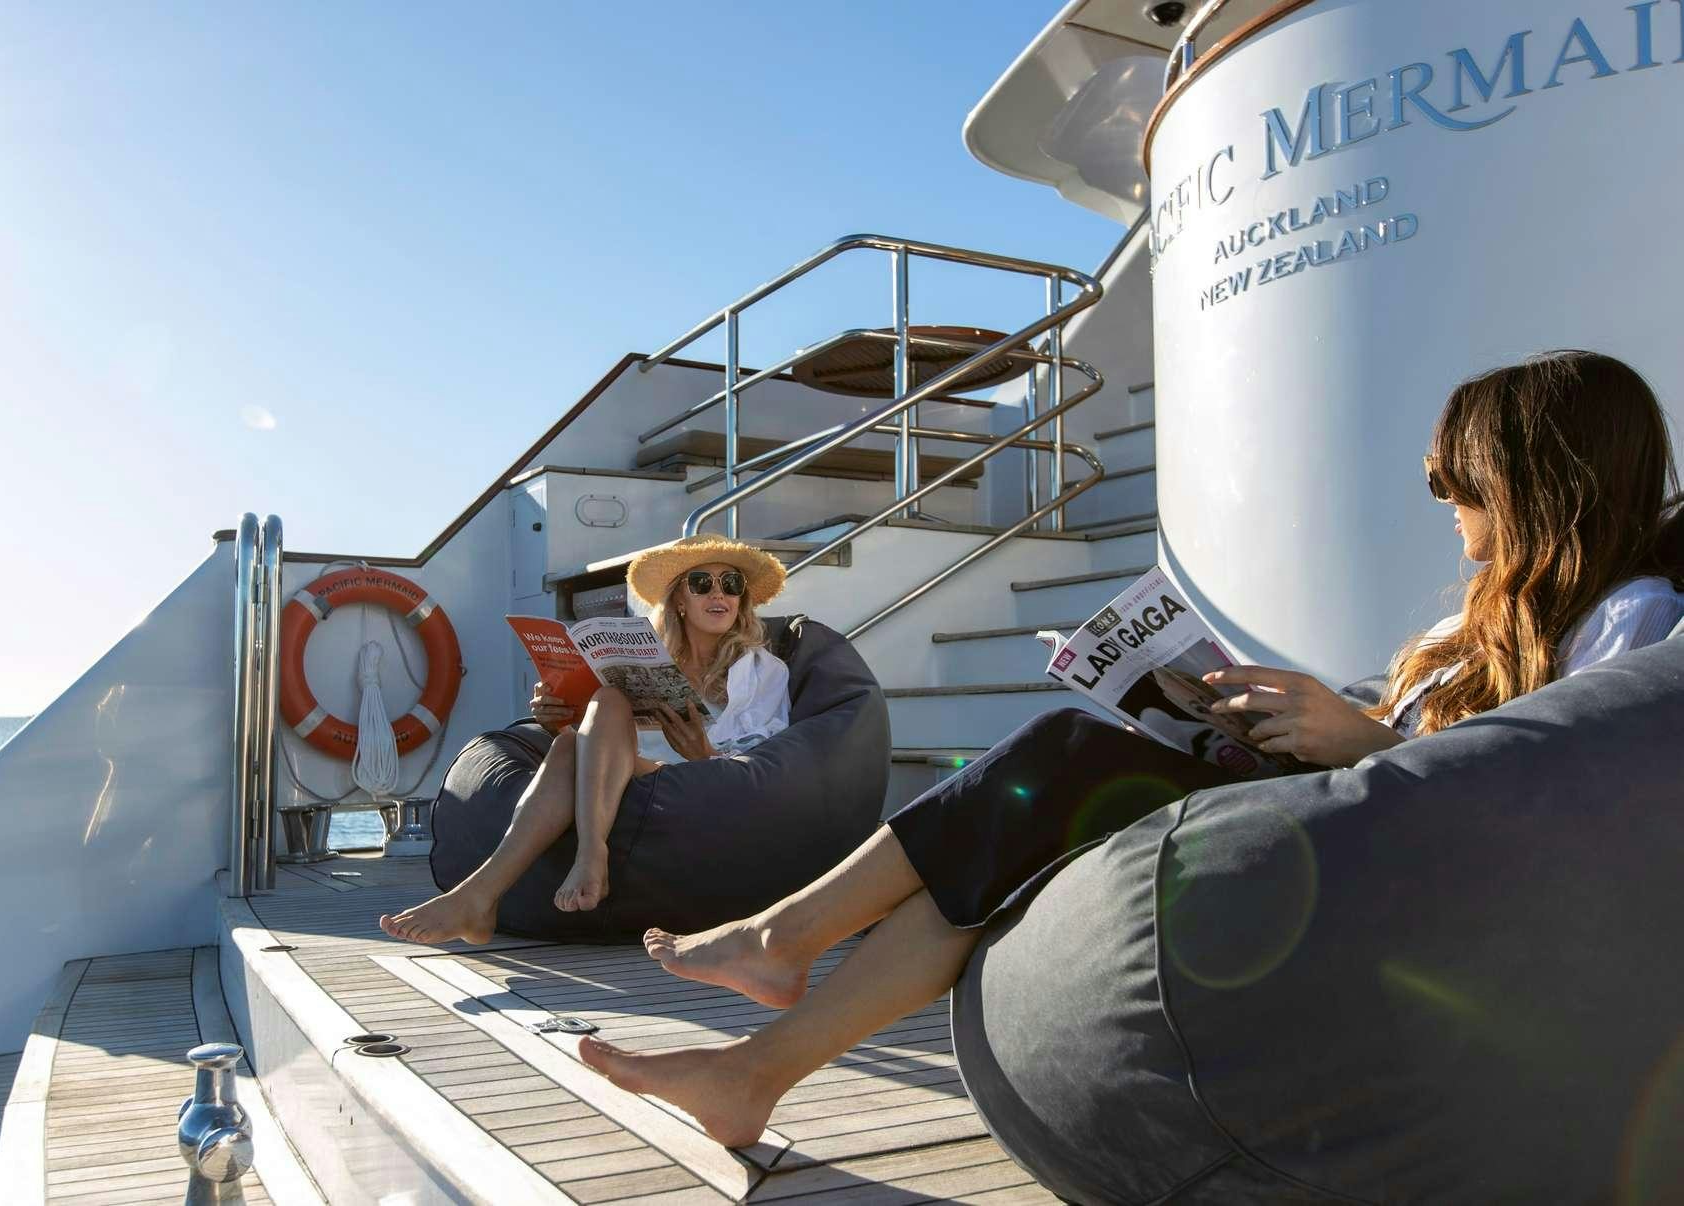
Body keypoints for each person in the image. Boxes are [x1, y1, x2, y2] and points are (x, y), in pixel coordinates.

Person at [576, 350, 1684, 1147]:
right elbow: (1410, 731)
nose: (1439, 500)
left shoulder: (1628, 619)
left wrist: (1364, 741)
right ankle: (756, 1070)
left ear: (1533, 475)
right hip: (1354, 821)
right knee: (1013, 829)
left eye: (1455, 477)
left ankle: (778, 945)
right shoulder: (1467, 629)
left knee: (1059, 754)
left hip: (1411, 878)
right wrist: (1244, 709)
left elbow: (1560, 789)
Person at [379, 534, 790, 943]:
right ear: (679, 599)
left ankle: (530, 877)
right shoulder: (648, 655)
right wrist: (555, 715)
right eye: (702, 583)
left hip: (696, 784)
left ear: (742, 600)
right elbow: (599, 742)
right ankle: (490, 893)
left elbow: (772, 764)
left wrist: (705, 753)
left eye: (731, 584)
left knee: (587, 727)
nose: (719, 594)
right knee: (578, 731)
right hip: (629, 777)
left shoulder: (762, 670)